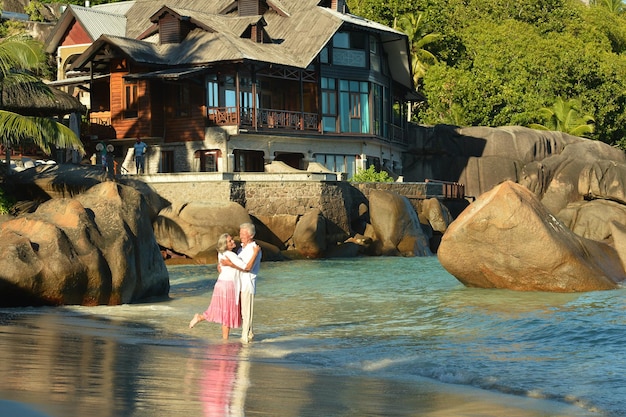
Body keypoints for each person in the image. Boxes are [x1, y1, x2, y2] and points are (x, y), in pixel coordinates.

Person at [189, 233, 260, 339]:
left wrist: (228, 265)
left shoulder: (221, 254)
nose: (233, 241)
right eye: (230, 241)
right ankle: (223, 338)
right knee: (226, 312)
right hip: (228, 286)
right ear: (225, 245)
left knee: (220, 310)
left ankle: (222, 336)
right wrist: (255, 253)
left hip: (221, 284)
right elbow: (246, 267)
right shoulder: (230, 255)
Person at [228, 223, 261, 344]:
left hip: (248, 284)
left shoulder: (254, 249)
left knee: (247, 312)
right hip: (239, 284)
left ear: (251, 235)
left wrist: (229, 264)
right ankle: (250, 334)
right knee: (243, 312)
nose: (240, 236)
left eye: (243, 234)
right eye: (240, 233)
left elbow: (248, 268)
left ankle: (245, 337)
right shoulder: (242, 249)